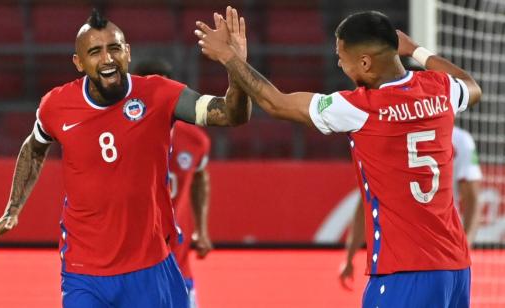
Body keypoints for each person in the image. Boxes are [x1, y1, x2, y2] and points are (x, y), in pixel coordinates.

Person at [196, 8, 482, 307]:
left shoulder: (359, 107)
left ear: (365, 63)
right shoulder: (440, 88)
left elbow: (276, 103)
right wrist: (416, 51)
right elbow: (472, 86)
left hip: (404, 271)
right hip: (455, 267)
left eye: (341, 57)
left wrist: (230, 59)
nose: (339, 64)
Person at [0, 8, 249, 308]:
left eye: (114, 48)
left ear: (128, 52)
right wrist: (13, 208)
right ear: (79, 62)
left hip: (151, 265)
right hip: (84, 271)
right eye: (95, 52)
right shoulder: (56, 106)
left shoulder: (159, 94)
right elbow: (34, 147)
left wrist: (235, 64)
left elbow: (232, 114)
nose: (107, 59)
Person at [339, 125, 483, 291]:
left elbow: (367, 201)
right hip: (444, 255)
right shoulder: (461, 140)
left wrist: (350, 256)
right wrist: (465, 249)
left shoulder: (387, 130)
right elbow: (472, 198)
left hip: (400, 257)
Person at [136, 59, 213, 308]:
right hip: (130, 260)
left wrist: (201, 229)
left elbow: (200, 178)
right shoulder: (116, 136)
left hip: (176, 261)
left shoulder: (194, 141)